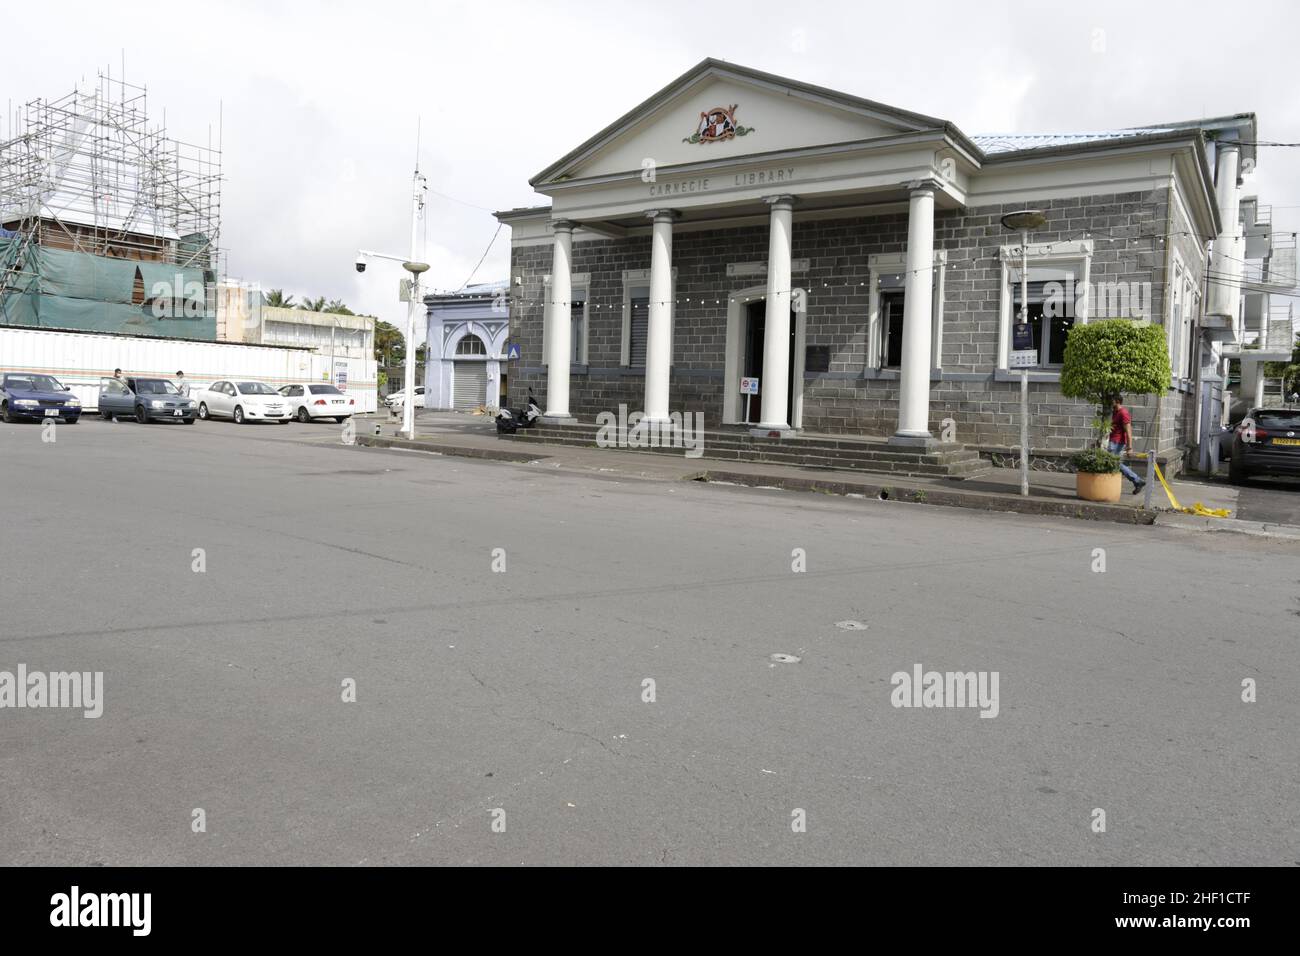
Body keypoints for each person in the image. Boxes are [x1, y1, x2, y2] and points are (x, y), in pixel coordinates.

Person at [1107, 393, 1146, 495]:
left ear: (1117, 401)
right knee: (1112, 463)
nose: (1110, 402)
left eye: (1112, 400)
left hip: (1117, 442)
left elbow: (1128, 431)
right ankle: (1136, 481)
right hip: (1113, 441)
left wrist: (1129, 447)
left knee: (1113, 463)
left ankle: (1137, 480)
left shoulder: (1123, 413)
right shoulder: (1115, 412)